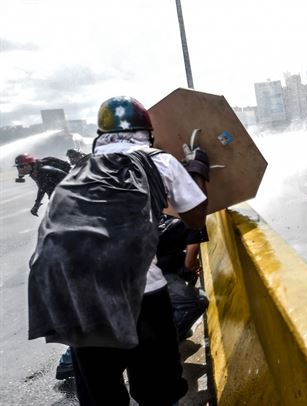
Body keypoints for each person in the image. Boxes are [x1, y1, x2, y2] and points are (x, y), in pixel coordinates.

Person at [28, 96, 209, 406]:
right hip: (139, 295)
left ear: (102, 134)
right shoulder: (158, 159)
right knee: (158, 390)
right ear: (147, 131)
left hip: (73, 295)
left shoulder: (79, 169)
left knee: (102, 395)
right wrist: (197, 166)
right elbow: (195, 216)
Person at [157, 213, 210, 341]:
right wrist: (195, 265)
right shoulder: (195, 220)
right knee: (198, 301)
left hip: (137, 268)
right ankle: (167, 342)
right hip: (156, 273)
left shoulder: (163, 212)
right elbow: (189, 263)